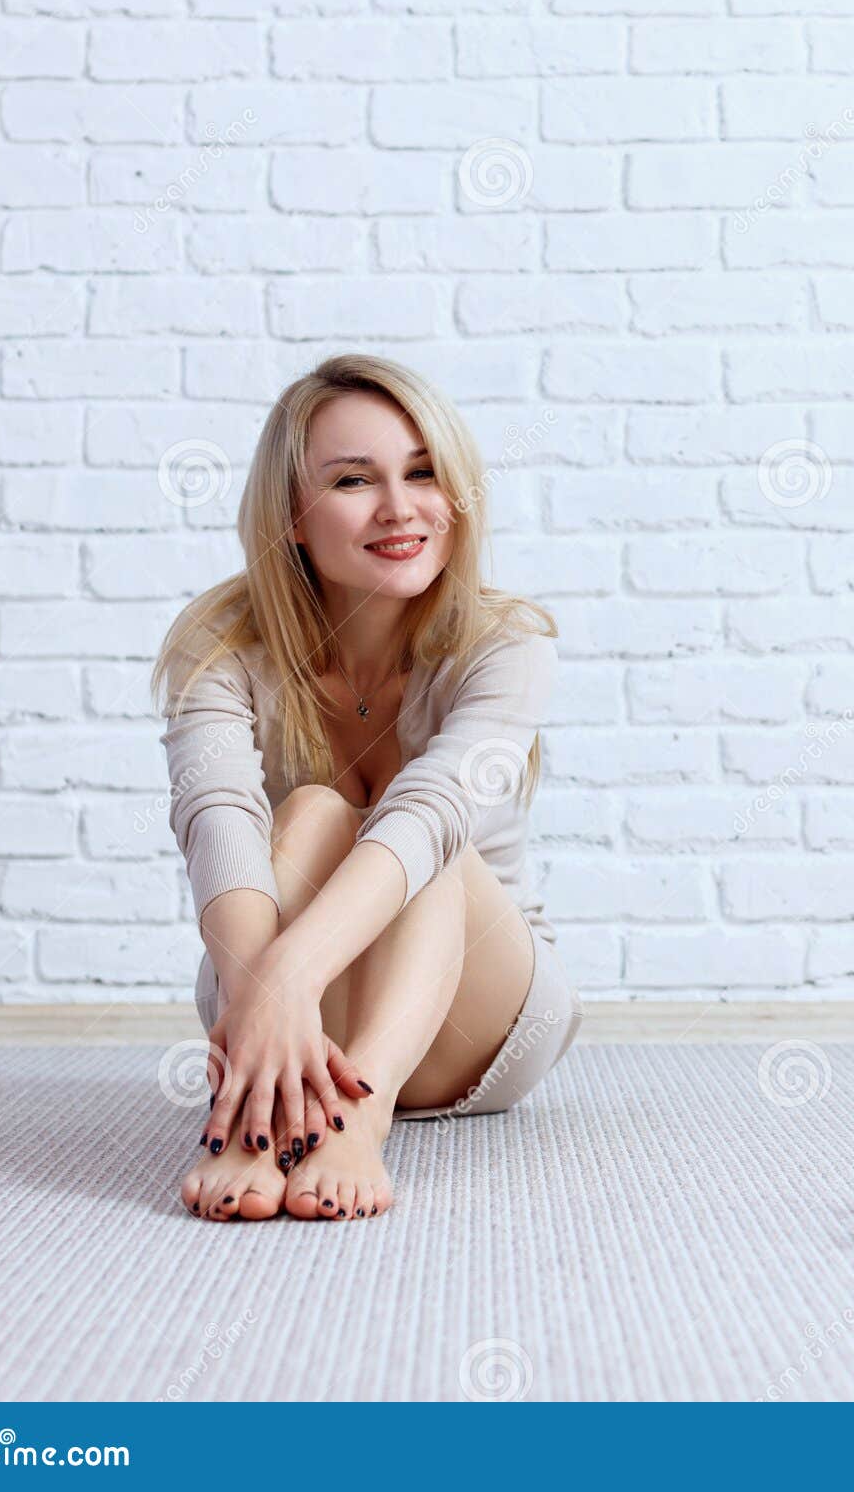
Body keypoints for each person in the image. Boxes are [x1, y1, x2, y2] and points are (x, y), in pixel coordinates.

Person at [150, 354, 583, 1222]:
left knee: (425, 840)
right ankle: (266, 1112)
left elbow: (433, 816)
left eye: (424, 474)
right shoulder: (220, 646)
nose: (400, 507)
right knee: (312, 810)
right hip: (280, 1002)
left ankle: (359, 1111)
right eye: (354, 480)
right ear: (294, 517)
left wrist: (282, 983)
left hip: (478, 1015)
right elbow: (217, 819)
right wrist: (257, 990)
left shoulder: (507, 643)